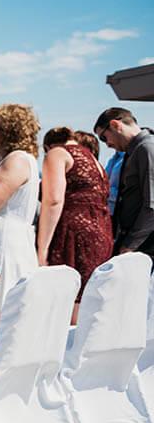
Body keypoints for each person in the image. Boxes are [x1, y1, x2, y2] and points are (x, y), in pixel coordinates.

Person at [0, 103, 41, 338]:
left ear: (11, 131)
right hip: (4, 240)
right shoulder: (16, 160)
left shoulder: (17, 159)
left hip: (3, 245)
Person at [36, 127, 112, 321]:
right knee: (89, 298)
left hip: (73, 231)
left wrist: (42, 248)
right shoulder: (94, 161)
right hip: (102, 231)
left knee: (67, 300)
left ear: (49, 145)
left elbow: (53, 200)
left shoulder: (58, 154)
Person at [94, 107, 154, 258]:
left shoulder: (146, 148)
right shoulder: (135, 150)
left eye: (104, 137)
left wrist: (130, 245)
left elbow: (152, 204)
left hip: (145, 246)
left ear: (115, 125)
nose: (106, 144)